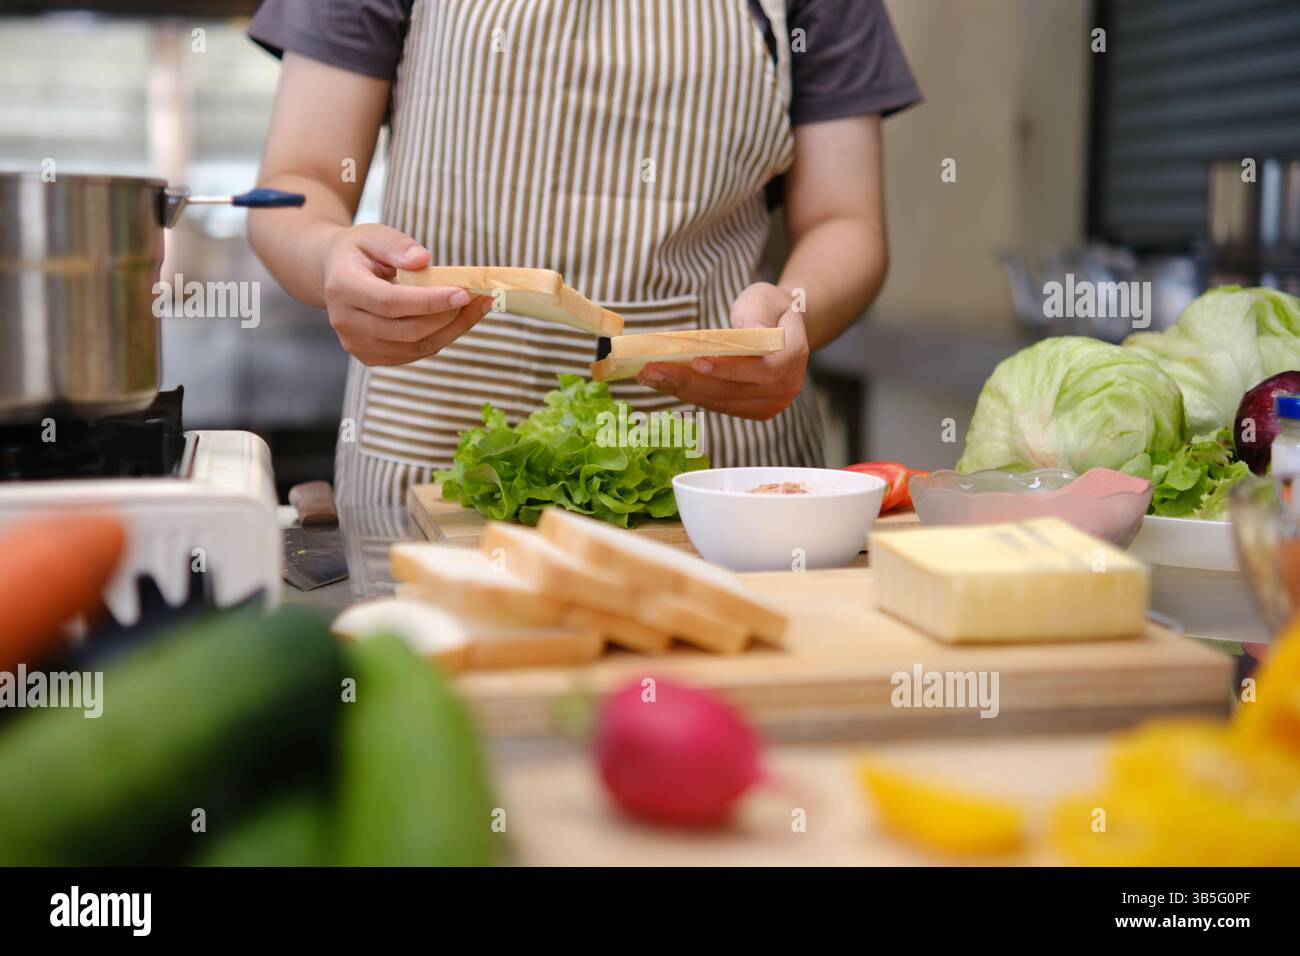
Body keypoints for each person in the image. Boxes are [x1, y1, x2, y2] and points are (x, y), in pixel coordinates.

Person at [247, 0, 920, 506]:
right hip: (429, 466)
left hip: (711, 478)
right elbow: (298, 181)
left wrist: (793, 311)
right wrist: (331, 250)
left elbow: (845, 220)